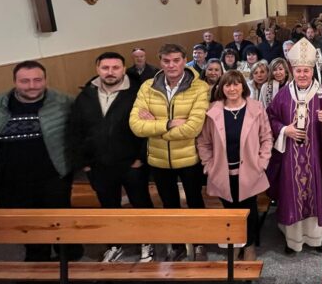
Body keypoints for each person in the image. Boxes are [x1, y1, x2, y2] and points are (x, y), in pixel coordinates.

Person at [0, 60, 80, 262]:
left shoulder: (64, 103)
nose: (32, 86)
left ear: (45, 80)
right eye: (25, 81)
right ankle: (37, 262)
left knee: (60, 222)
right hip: (8, 181)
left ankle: (70, 260)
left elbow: (81, 131)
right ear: (15, 81)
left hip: (52, 178)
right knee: (26, 227)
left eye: (37, 80)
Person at [69, 52, 153, 263]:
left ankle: (148, 241)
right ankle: (115, 244)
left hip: (131, 162)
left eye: (115, 67)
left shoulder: (137, 92)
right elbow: (75, 130)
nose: (110, 72)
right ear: (98, 69)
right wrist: (85, 164)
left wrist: (140, 158)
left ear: (124, 69)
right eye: (105, 68)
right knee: (108, 206)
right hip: (98, 164)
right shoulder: (86, 95)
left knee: (141, 202)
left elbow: (148, 127)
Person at [129, 43, 210, 261]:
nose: (171, 65)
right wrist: (168, 124)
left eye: (176, 60)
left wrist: (155, 126)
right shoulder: (148, 86)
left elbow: (194, 127)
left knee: (195, 201)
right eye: (166, 61)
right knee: (169, 203)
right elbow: (136, 125)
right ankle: (177, 244)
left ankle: (200, 242)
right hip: (158, 158)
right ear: (160, 61)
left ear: (184, 61)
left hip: (189, 157)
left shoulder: (199, 87)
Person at [266, 38, 322, 253]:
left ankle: (316, 239)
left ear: (312, 71)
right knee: (292, 194)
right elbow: (270, 118)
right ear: (293, 71)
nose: (302, 75)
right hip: (290, 157)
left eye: (306, 71)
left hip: (316, 158)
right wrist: (284, 130)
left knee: (315, 192)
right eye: (299, 70)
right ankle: (293, 240)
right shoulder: (283, 95)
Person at [197, 70, 273, 261]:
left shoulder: (256, 108)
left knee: (249, 211)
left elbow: (266, 137)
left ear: (243, 86)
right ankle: (237, 243)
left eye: (236, 84)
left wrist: (262, 163)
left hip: (249, 170)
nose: (232, 88)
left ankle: (249, 246)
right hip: (222, 171)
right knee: (231, 211)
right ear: (222, 88)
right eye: (228, 85)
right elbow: (204, 142)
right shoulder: (213, 111)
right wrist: (208, 165)